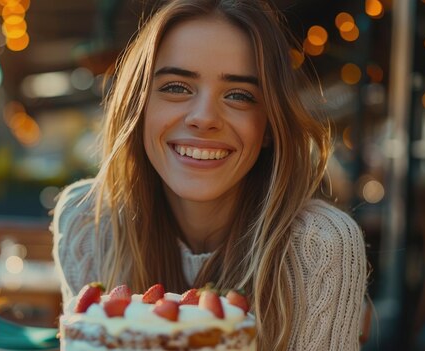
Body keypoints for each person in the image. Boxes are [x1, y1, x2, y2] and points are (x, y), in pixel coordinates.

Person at [51, 0, 367, 349]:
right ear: (137, 107)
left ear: (268, 127)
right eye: (176, 87)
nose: (204, 117)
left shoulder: (319, 245)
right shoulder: (89, 221)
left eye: (239, 95)